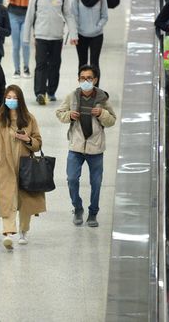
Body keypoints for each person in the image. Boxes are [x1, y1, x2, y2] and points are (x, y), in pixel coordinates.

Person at [55, 65, 116, 227]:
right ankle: (77, 207)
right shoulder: (72, 96)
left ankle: (93, 212)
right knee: (72, 179)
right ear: (78, 79)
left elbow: (112, 120)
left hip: (95, 148)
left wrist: (102, 114)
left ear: (95, 80)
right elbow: (59, 113)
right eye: (82, 78)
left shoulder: (103, 98)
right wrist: (69, 116)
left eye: (89, 78)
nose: (86, 81)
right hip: (76, 146)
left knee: (96, 183)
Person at [0, 85, 43, 248]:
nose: (11, 100)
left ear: (20, 100)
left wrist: (27, 139)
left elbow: (38, 143)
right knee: (7, 199)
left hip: (25, 165)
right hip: (5, 166)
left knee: (25, 199)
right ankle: (8, 233)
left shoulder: (29, 119)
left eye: (15, 97)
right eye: (8, 97)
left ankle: (23, 230)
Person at [23, 0, 76, 104]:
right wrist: (26, 38)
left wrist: (73, 34)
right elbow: (29, 18)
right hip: (41, 36)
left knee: (55, 65)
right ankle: (40, 92)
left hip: (57, 37)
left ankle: (51, 91)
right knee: (40, 64)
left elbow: (69, 15)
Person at [5, 0, 38, 78]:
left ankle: (26, 67)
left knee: (25, 42)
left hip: (26, 15)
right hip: (13, 14)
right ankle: (17, 69)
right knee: (15, 44)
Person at [72, 0, 108, 75]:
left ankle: (95, 89)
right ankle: (83, 89)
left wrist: (98, 27)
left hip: (96, 36)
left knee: (94, 64)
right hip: (81, 35)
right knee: (82, 63)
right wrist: (77, 30)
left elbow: (104, 16)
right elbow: (74, 16)